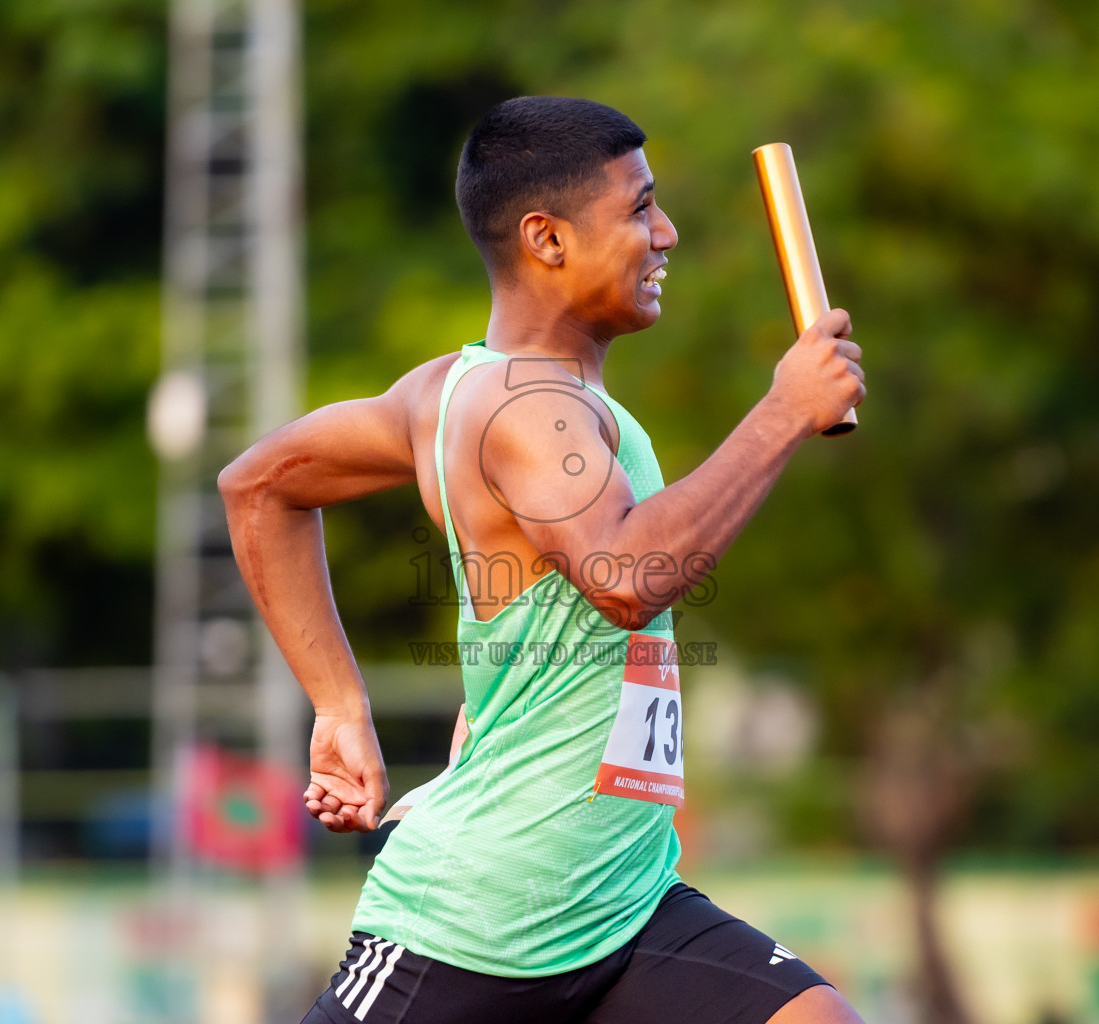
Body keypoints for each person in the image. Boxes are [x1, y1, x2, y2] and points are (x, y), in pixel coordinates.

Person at [220, 96, 866, 1024]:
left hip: (624, 903)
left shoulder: (455, 388)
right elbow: (626, 577)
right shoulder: (527, 408)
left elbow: (263, 485)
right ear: (547, 240)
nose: (667, 232)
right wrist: (781, 410)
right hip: (477, 926)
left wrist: (338, 706)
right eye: (641, 208)